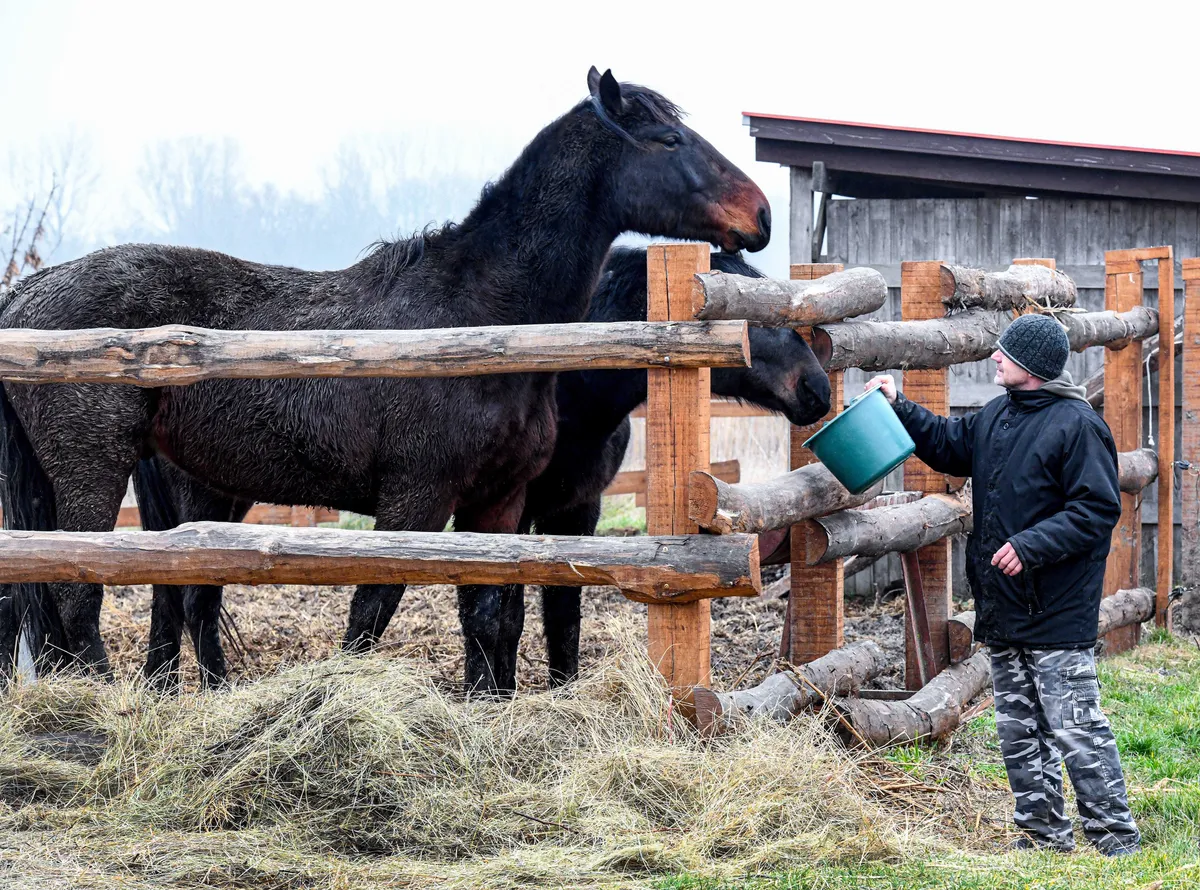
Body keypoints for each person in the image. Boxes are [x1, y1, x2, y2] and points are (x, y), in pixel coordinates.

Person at [865, 313, 1141, 856]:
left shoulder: (1078, 425)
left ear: (1031, 366)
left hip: (1056, 607)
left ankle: (1115, 838)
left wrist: (1031, 545)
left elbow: (1096, 510)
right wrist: (899, 405)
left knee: (1074, 727)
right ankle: (1042, 836)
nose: (994, 357)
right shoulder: (998, 414)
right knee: (1019, 729)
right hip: (1004, 603)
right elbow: (947, 443)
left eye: (1005, 353)